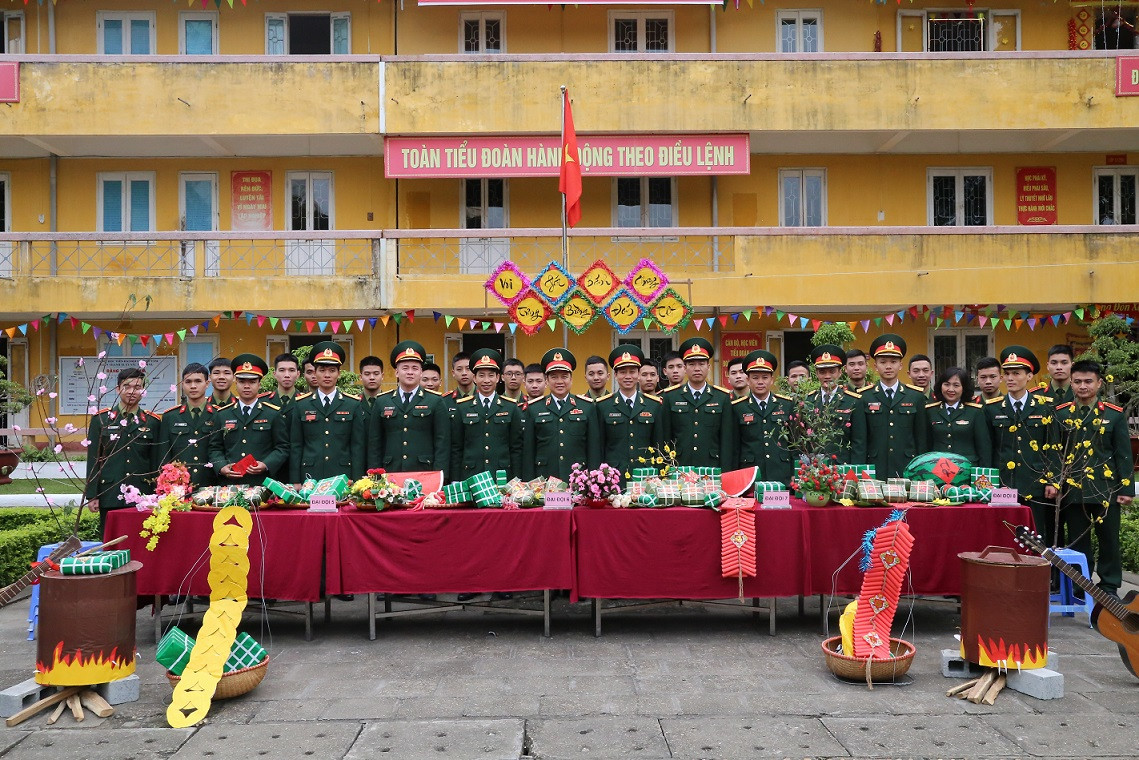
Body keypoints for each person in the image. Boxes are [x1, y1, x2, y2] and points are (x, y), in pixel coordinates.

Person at [1044, 360, 1133, 598]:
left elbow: (1123, 454)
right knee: (1077, 542)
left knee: (1109, 541)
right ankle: (1080, 586)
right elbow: (1054, 451)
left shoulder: (1113, 415)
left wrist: (1126, 488)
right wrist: (1055, 482)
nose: (1083, 386)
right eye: (1078, 381)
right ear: (1071, 383)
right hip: (1074, 490)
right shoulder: (1062, 413)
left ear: (1099, 383)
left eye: (1088, 381)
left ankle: (1109, 586)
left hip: (1106, 490)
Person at [985, 346, 1053, 546]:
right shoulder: (992, 408)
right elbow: (988, 448)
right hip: (1003, 483)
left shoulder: (1044, 407)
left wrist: (1052, 480)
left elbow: (1052, 447)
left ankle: (1038, 575)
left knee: (1038, 535)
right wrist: (988, 483)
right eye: (1007, 374)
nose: (1010, 378)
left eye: (1016, 373)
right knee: (1004, 534)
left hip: (1036, 482)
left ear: (1030, 376)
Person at [84, 367, 161, 536]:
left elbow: (156, 462)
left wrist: (157, 494)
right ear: (118, 389)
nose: (132, 391)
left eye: (138, 387)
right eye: (127, 386)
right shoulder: (101, 420)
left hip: (143, 495)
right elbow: (94, 459)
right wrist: (92, 495)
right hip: (110, 492)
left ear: (143, 391)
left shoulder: (152, 422)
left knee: (141, 541)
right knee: (111, 542)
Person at [850, 334, 927, 479]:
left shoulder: (916, 396)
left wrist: (921, 473)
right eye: (883, 362)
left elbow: (921, 440)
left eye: (893, 361)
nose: (888, 366)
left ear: (901, 365)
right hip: (874, 468)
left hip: (907, 467)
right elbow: (859, 442)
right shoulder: (863, 397)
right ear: (875, 366)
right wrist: (858, 474)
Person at [288, 342, 368, 482]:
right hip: (310, 476)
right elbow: (296, 445)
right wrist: (295, 481)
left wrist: (356, 480)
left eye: (332, 370)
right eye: (322, 370)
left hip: (343, 476)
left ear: (339, 374)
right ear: (315, 372)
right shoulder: (301, 404)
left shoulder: (352, 404)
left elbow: (357, 447)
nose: (327, 375)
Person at [367, 341, 450, 472]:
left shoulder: (435, 401)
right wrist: (375, 475)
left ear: (421, 372)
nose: (410, 372)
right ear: (396, 372)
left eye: (415, 368)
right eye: (405, 368)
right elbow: (374, 444)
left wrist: (440, 474)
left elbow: (442, 442)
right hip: (390, 472)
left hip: (424, 471)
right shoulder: (382, 401)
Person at [208, 355, 289, 486]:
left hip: (261, 483)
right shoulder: (222, 414)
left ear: (259, 384)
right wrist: (221, 467)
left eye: (252, 382)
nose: (246, 386)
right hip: (230, 484)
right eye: (242, 381)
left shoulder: (272, 413)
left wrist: (266, 464)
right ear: (236, 382)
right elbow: (214, 448)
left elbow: (282, 447)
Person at [521, 349, 600, 481]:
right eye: (554, 377)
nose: (559, 381)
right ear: (546, 380)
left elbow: (594, 450)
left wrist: (593, 483)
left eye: (564, 376)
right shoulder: (534, 408)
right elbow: (529, 452)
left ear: (571, 379)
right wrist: (529, 484)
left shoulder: (587, 407)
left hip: (578, 480)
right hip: (544, 478)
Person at [450, 348, 523, 481]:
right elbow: (457, 448)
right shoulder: (463, 407)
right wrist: (456, 479)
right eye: (481, 375)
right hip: (471, 475)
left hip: (502, 476)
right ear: (474, 378)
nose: (486, 380)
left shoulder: (511, 407)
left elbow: (516, 448)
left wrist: (517, 480)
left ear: (498, 378)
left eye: (491, 375)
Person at [721, 350, 793, 483]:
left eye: (765, 377)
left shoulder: (786, 405)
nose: (760, 382)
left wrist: (795, 473)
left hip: (781, 474)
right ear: (748, 380)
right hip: (750, 476)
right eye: (755, 377)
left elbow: (794, 444)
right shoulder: (737, 408)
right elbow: (734, 448)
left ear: (772, 380)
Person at [661, 338, 731, 468]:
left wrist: (725, 473)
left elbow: (727, 441)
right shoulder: (670, 396)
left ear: (708, 367)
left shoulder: (722, 397)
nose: (697, 368)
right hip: (680, 466)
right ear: (685, 368)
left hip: (712, 467)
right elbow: (665, 437)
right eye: (692, 364)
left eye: (701, 363)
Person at [596, 345, 663, 479]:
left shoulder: (654, 405)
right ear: (615, 375)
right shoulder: (603, 406)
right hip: (613, 477)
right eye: (622, 372)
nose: (628, 376)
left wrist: (660, 477)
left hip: (645, 476)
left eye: (632, 371)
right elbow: (599, 447)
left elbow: (659, 446)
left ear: (638, 374)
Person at [157, 362, 218, 489]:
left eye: (198, 381)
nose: (193, 386)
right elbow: (164, 455)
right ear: (182, 384)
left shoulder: (219, 414)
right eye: (188, 382)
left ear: (207, 384)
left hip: (211, 484)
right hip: (178, 486)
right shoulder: (170, 416)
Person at [924, 367, 992, 466]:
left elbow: (984, 448)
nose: (951, 389)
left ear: (964, 388)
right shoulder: (930, 411)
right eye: (946, 384)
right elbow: (926, 444)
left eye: (956, 385)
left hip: (966, 469)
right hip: (937, 470)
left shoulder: (975, 412)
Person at [809, 344, 859, 464]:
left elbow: (858, 442)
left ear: (840, 372)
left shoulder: (853, 401)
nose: (827, 376)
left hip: (843, 466)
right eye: (822, 372)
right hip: (814, 468)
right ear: (816, 373)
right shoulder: (808, 401)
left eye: (832, 371)